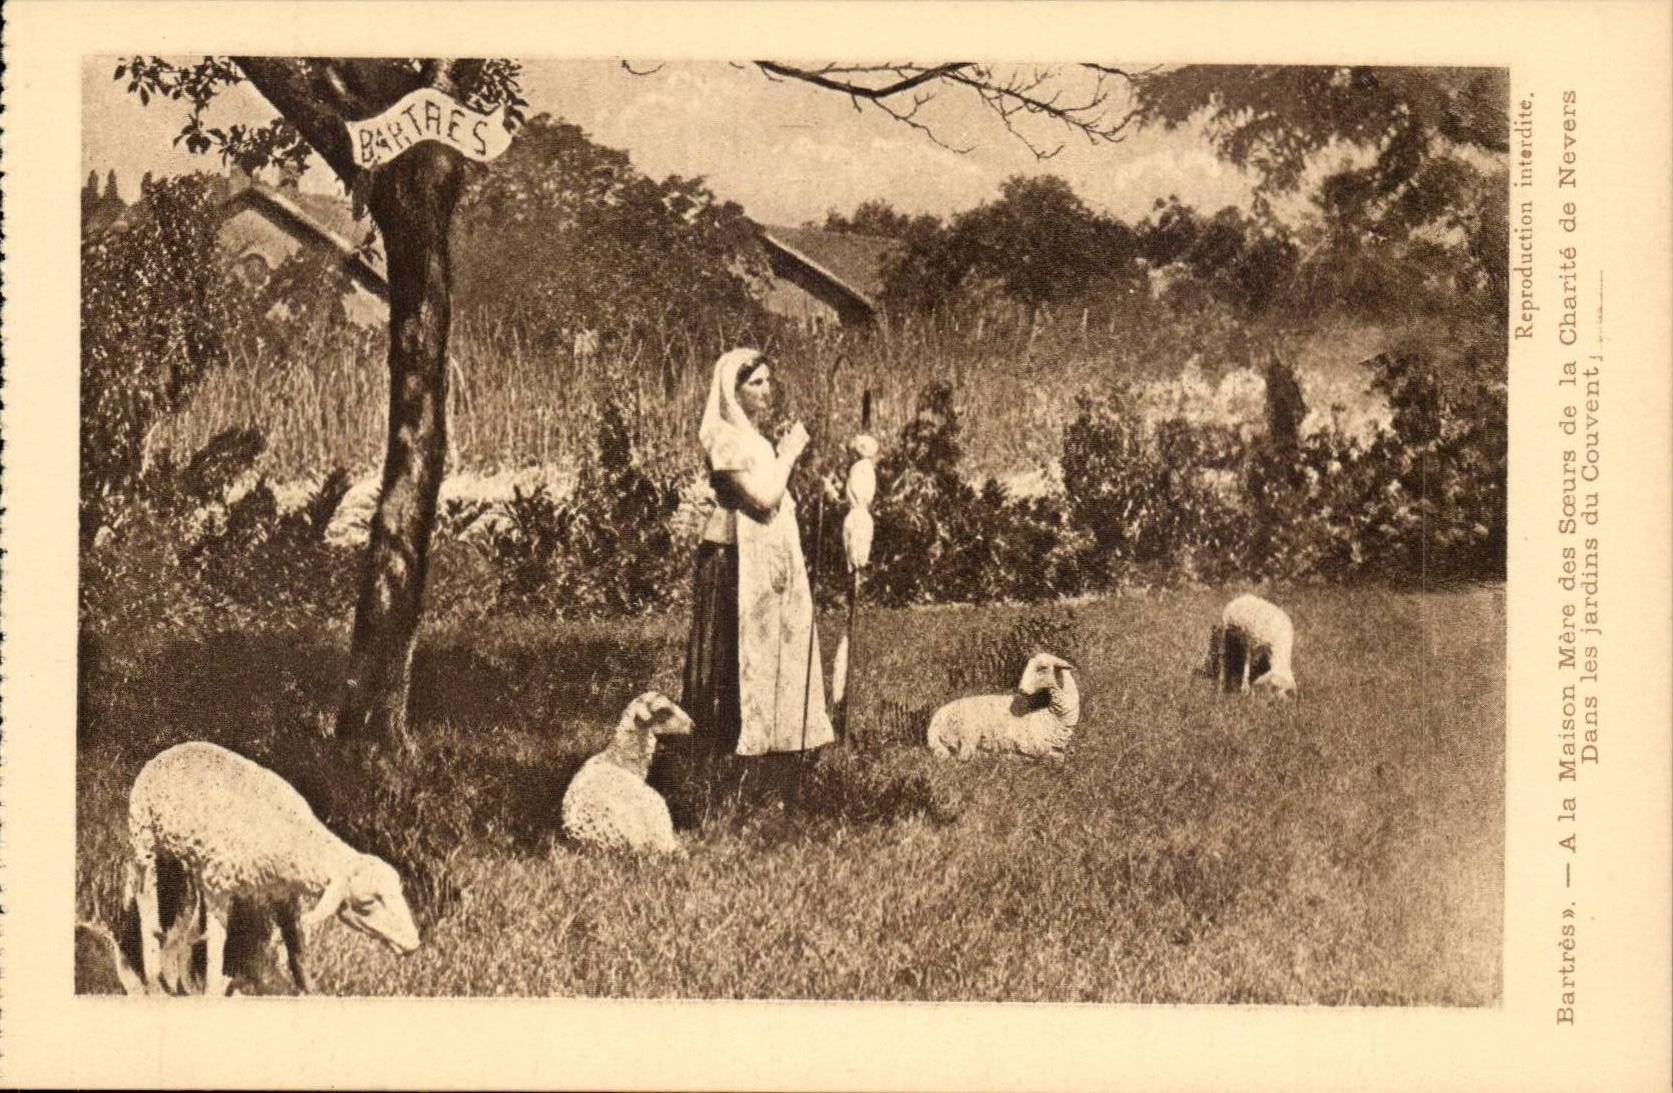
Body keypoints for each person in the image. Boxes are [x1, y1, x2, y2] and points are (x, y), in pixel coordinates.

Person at [679, 347, 834, 775]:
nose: (768, 391)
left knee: (775, 640)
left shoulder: (756, 441)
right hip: (735, 560)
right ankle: (731, 741)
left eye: (769, 381)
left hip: (765, 558)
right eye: (756, 383)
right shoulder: (723, 440)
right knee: (738, 645)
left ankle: (781, 734)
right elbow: (763, 499)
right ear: (733, 391)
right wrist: (788, 455)